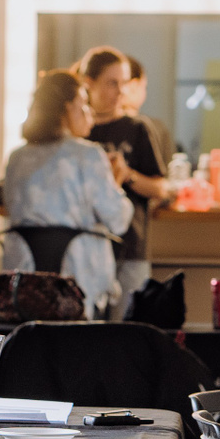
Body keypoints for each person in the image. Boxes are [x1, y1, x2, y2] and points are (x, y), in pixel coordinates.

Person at [1, 68, 133, 317]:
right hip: (78, 285)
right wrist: (115, 183)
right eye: (83, 104)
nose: (88, 113)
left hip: (24, 286)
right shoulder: (88, 155)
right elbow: (118, 220)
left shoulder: (16, 159)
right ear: (68, 108)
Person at [76, 47, 173, 318]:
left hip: (131, 247)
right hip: (85, 248)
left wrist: (127, 174)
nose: (120, 92)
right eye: (112, 83)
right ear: (89, 83)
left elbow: (160, 188)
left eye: (124, 83)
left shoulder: (137, 128)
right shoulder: (77, 132)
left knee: (127, 330)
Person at [119, 54, 178, 182]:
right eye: (144, 86)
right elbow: (166, 182)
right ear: (134, 86)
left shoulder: (92, 125)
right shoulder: (153, 127)